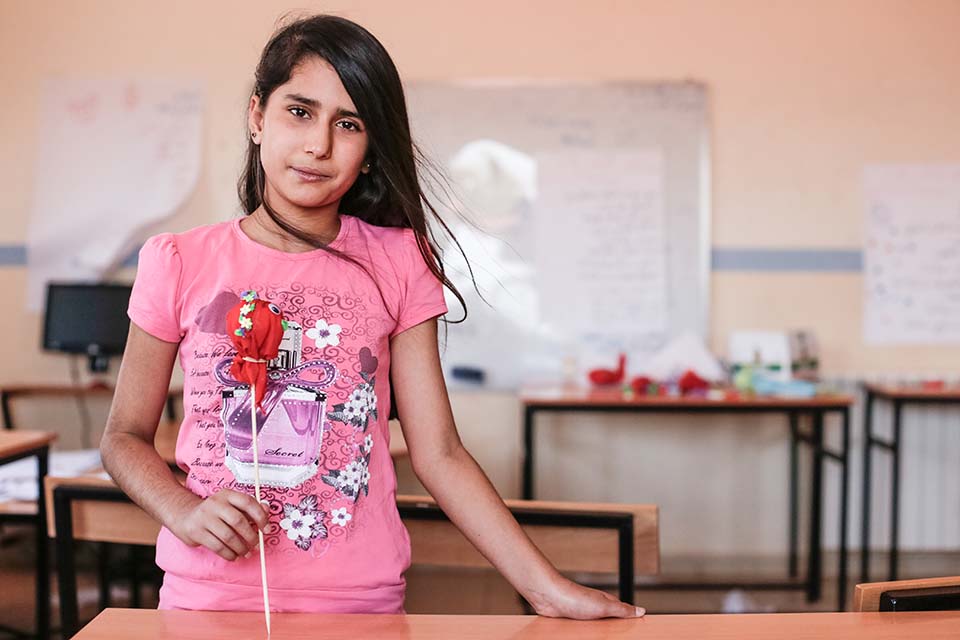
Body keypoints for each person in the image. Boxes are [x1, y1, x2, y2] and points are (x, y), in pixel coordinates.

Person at [100, 14, 644, 619]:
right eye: (299, 112)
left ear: (369, 149)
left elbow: (438, 454)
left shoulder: (400, 261)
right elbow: (123, 437)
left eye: (348, 124)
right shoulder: (178, 260)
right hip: (208, 599)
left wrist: (546, 588)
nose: (318, 145)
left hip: (359, 601)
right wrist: (181, 510)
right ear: (258, 117)